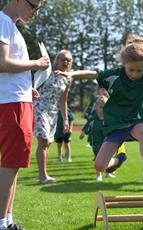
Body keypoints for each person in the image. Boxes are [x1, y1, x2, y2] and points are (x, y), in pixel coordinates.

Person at [61, 41, 143, 182]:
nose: (135, 74)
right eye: (131, 70)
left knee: (142, 131)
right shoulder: (114, 76)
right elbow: (93, 74)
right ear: (124, 64)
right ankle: (118, 160)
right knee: (99, 166)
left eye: (139, 71)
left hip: (136, 122)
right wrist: (72, 73)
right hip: (115, 125)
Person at [0, 0, 49, 229]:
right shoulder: (2, 21)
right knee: (10, 165)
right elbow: (2, 63)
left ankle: (7, 221)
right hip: (12, 104)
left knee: (14, 164)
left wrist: (26, 87)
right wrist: (36, 63)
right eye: (34, 6)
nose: (36, 13)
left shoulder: (11, 25)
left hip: (18, 99)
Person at [34, 49, 72, 183]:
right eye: (63, 59)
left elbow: (63, 100)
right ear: (57, 60)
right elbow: (34, 85)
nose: (66, 62)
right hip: (39, 108)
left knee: (47, 144)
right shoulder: (47, 71)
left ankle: (44, 175)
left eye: (68, 60)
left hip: (53, 113)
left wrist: (66, 119)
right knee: (43, 141)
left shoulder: (67, 79)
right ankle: (42, 176)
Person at [81, 88, 127, 181]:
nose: (101, 107)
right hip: (97, 143)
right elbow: (88, 124)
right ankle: (99, 175)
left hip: (108, 142)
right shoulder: (94, 117)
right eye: (99, 105)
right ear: (96, 107)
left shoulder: (110, 117)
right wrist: (83, 132)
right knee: (98, 158)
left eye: (104, 106)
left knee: (109, 157)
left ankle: (108, 172)